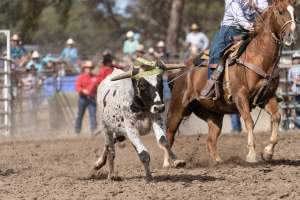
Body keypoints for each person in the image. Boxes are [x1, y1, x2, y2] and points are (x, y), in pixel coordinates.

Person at [200, 0, 268, 99]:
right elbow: (237, 13)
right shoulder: (233, 1)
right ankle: (212, 84)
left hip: (251, 30)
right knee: (216, 50)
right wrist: (248, 26)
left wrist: (256, 5)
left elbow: (266, 8)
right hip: (231, 29)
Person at [75, 60, 99, 135]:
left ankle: (94, 130)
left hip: (91, 98)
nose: (89, 69)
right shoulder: (81, 77)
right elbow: (77, 86)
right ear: (84, 68)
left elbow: (100, 85)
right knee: (80, 114)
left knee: (93, 114)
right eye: (87, 67)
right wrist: (83, 90)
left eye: (90, 68)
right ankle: (77, 130)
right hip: (83, 98)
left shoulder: (96, 77)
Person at [288, 51, 300, 128]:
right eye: (295, 58)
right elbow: (289, 78)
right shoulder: (291, 69)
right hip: (295, 90)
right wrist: (293, 80)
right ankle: (298, 125)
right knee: (296, 107)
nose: (296, 60)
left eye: (297, 58)